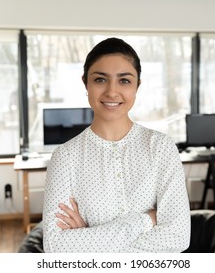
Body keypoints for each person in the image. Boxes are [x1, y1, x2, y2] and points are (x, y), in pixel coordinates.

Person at [43, 37, 190, 252]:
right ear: (86, 83)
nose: (112, 92)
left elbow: (178, 237)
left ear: (137, 86)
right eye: (100, 79)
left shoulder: (161, 148)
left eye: (124, 80)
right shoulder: (65, 157)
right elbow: (55, 247)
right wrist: (147, 220)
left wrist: (87, 240)